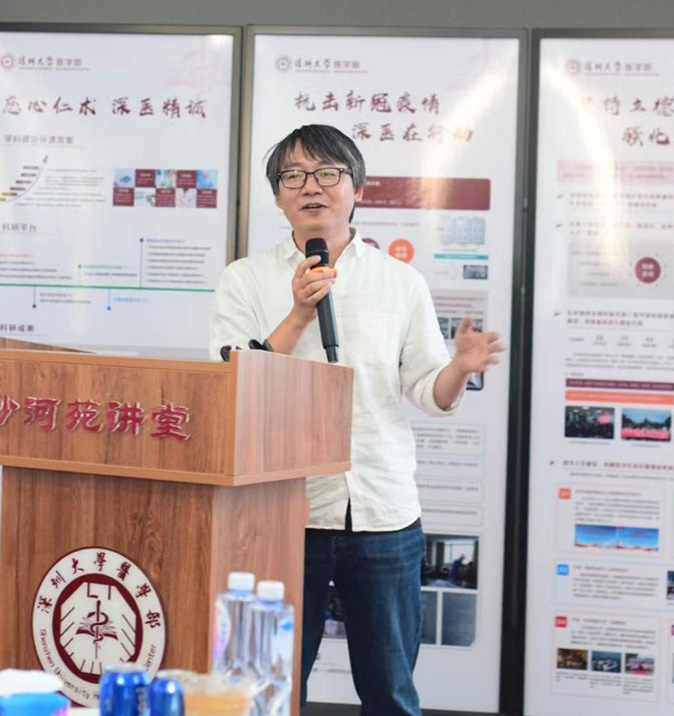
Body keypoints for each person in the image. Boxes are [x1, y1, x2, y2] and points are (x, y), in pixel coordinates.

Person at [209, 124, 504, 716]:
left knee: (390, 690)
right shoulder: (245, 278)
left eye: (327, 173)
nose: (310, 186)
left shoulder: (401, 281)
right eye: (293, 176)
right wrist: (298, 313)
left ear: (357, 188)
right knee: (268, 690)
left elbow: (429, 392)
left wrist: (460, 368)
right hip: (279, 512)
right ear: (277, 197)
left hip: (382, 511)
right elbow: (232, 382)